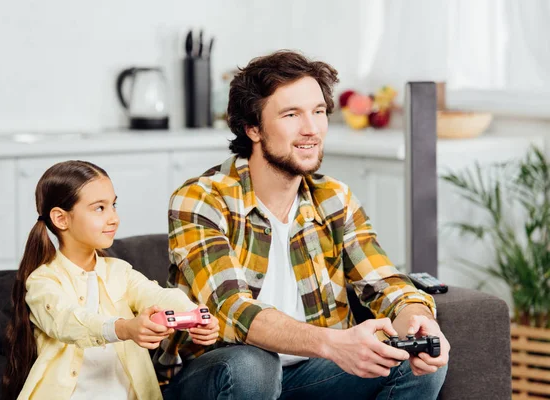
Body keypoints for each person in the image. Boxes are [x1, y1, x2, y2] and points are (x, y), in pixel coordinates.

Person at [157, 50, 449, 400]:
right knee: (254, 365)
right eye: (291, 114)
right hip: (220, 374)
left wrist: (417, 320)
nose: (311, 129)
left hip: (310, 373)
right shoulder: (201, 199)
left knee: (417, 356)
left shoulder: (333, 197)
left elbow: (384, 282)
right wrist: (332, 344)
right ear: (253, 128)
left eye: (319, 112)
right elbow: (233, 310)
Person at [2, 160, 219, 400]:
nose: (113, 218)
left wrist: (196, 314)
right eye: (99, 208)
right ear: (61, 219)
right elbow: (67, 321)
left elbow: (157, 295)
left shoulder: (120, 272)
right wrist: (124, 328)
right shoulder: (43, 282)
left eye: (113, 205)